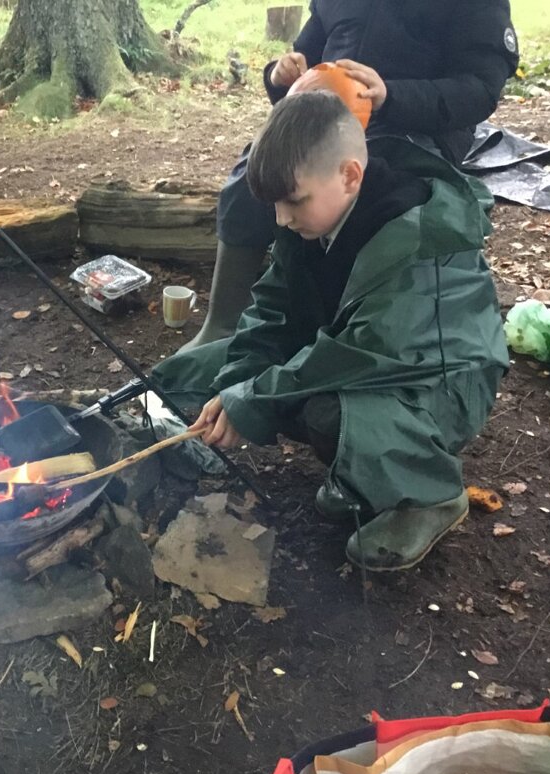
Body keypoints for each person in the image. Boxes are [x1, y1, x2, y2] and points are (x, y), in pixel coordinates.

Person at [152, 92, 509, 571]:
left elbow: (354, 353)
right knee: (224, 368)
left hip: (441, 383)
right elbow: (273, 309)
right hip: (358, 355)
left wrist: (251, 400)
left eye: (292, 201)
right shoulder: (313, 218)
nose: (280, 217)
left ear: (349, 175)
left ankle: (431, 495)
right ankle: (363, 473)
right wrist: (237, 381)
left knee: (325, 412)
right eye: (275, 204)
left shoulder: (418, 242)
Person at [185, 0, 520, 350]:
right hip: (328, 118)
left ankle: (336, 330)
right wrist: (282, 74)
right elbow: (306, 56)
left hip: (413, 127)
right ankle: (222, 323)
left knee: (360, 193)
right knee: (254, 175)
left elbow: (480, 89)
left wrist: (391, 95)